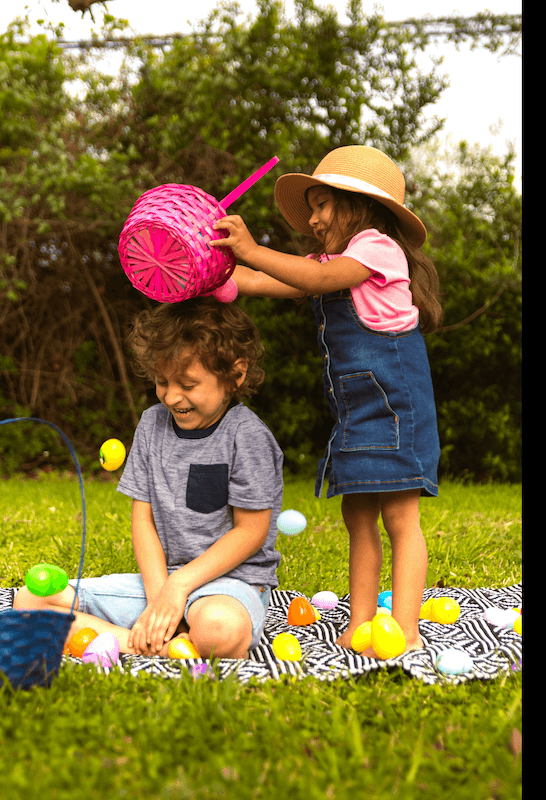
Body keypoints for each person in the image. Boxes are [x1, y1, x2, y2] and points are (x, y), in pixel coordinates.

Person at [208, 144, 442, 657]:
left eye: (321, 205)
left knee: (401, 520)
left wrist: (249, 249)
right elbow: (267, 279)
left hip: (397, 410)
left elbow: (313, 279)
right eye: (310, 207)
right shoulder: (329, 260)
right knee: (358, 519)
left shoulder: (377, 248)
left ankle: (404, 627)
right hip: (356, 413)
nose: (311, 219)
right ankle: (362, 621)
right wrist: (214, 275)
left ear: (356, 204)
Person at [13, 298, 284, 660]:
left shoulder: (246, 435)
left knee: (220, 630)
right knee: (30, 600)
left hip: (228, 587)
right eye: (161, 381)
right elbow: (144, 519)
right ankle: (144, 644)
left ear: (235, 374)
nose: (171, 396)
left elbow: (251, 531)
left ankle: (152, 638)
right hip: (160, 582)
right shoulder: (151, 424)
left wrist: (180, 586)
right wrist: (160, 599)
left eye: (187, 384)